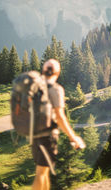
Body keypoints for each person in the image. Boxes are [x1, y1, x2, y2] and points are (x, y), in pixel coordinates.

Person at [32, 58, 85, 190]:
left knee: (44, 171)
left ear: (43, 71)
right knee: (41, 172)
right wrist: (73, 137)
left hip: (35, 134)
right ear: (57, 73)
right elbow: (60, 117)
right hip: (48, 135)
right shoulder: (56, 89)